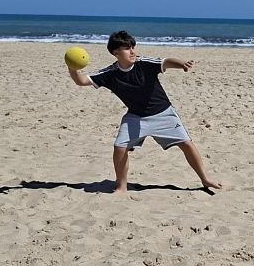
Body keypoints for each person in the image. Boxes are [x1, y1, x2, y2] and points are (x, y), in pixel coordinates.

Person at [67, 30, 221, 194]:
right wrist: (72, 67)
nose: (132, 51)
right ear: (115, 52)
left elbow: (166, 62)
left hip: (164, 114)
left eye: (133, 47)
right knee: (120, 147)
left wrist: (182, 64)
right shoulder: (109, 74)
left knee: (186, 144)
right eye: (127, 48)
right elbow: (81, 81)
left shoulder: (144, 64)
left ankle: (205, 178)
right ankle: (121, 186)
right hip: (135, 117)